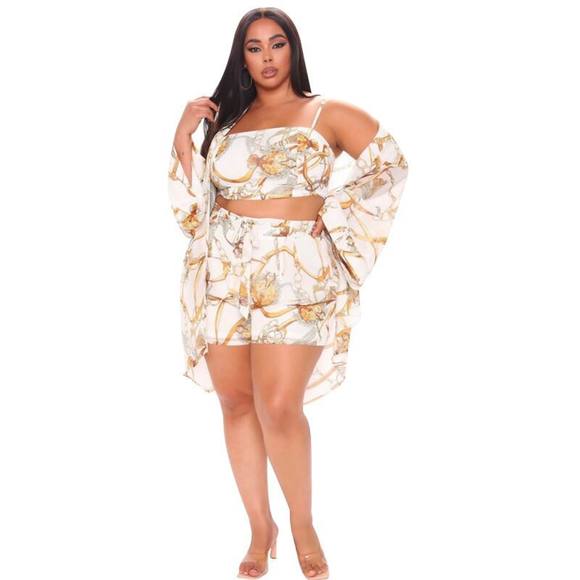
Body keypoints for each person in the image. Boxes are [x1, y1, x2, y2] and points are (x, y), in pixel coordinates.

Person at [167, 7, 408, 579]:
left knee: (278, 406)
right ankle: (260, 526)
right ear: (242, 58)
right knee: (236, 402)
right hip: (225, 271)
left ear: (293, 49)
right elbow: (193, 208)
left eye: (277, 44)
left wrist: (335, 214)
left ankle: (302, 521)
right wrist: (183, 134)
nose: (267, 57)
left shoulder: (329, 112)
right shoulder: (228, 123)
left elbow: (391, 166)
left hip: (296, 272)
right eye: (254, 48)